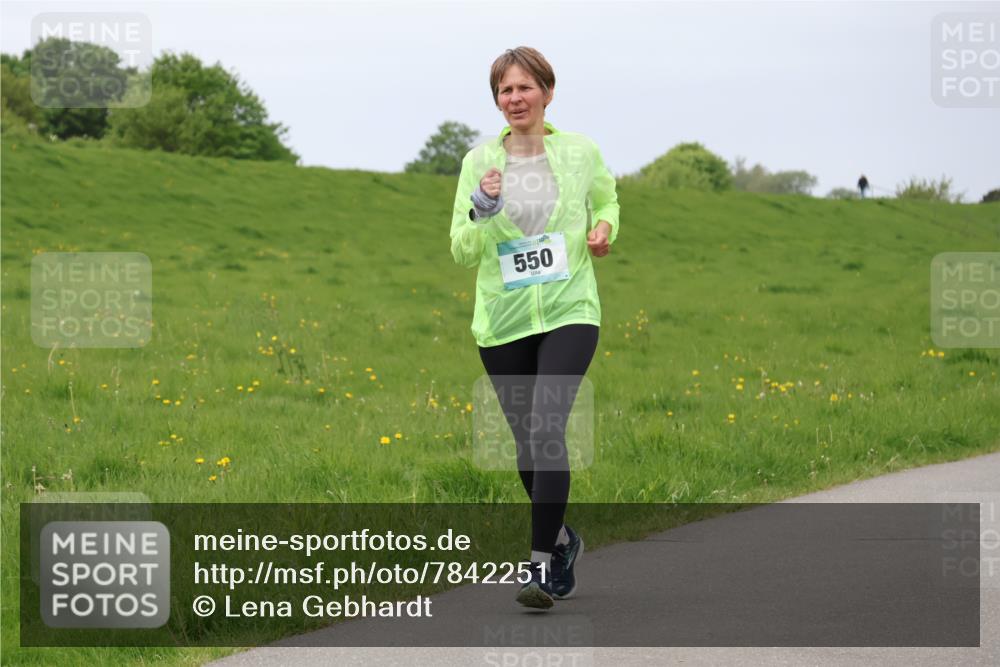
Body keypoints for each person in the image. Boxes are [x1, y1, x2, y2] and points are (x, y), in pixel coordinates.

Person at [449, 46, 620, 610]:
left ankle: (540, 566)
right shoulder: (479, 163)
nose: (515, 99)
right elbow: (461, 249)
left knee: (547, 427)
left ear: (547, 91)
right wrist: (482, 208)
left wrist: (602, 228)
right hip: (503, 322)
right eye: (504, 91)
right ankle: (565, 542)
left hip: (571, 311)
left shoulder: (579, 151)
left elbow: (608, 199)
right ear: (496, 100)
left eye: (524, 88)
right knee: (527, 446)